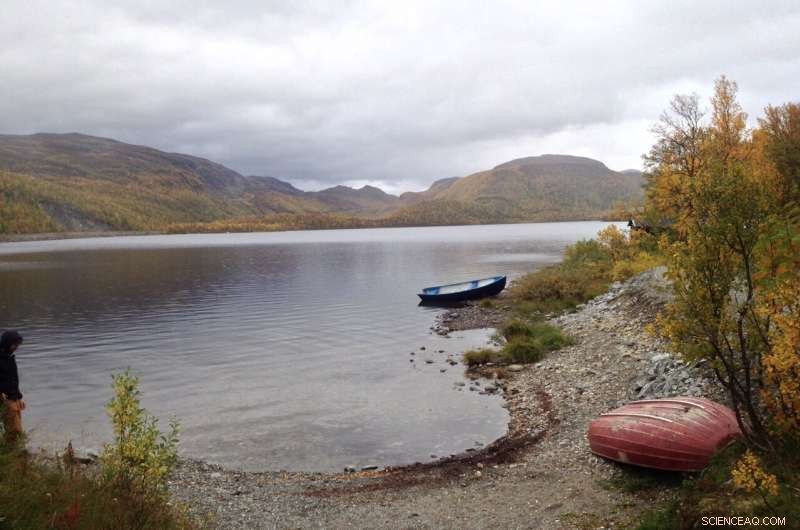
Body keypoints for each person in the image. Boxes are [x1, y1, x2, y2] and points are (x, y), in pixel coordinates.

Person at [0, 331, 25, 445]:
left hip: (13, 397)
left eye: (18, 344)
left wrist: (19, 397)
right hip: (4, 398)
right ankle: (13, 453)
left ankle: (17, 451)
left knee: (18, 429)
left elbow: (13, 380)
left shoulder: (10, 358)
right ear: (7, 343)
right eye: (15, 344)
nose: (16, 347)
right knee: (14, 430)